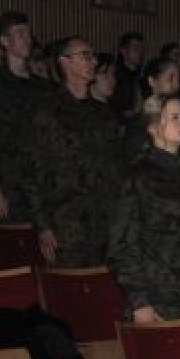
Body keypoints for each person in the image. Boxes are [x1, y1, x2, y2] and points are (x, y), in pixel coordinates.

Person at [19, 37, 123, 267]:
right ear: (65, 62)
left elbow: (116, 169)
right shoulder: (46, 110)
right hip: (66, 221)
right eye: (85, 55)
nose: (93, 61)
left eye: (92, 55)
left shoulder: (103, 115)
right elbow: (31, 171)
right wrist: (43, 226)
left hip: (105, 220)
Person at [108, 95, 180, 321]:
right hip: (160, 295)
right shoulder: (137, 176)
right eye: (174, 117)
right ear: (153, 126)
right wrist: (140, 301)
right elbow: (122, 244)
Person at [0, 11, 44, 223]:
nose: (27, 39)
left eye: (28, 33)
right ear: (4, 41)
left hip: (39, 178)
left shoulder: (40, 86)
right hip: (10, 180)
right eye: (20, 34)